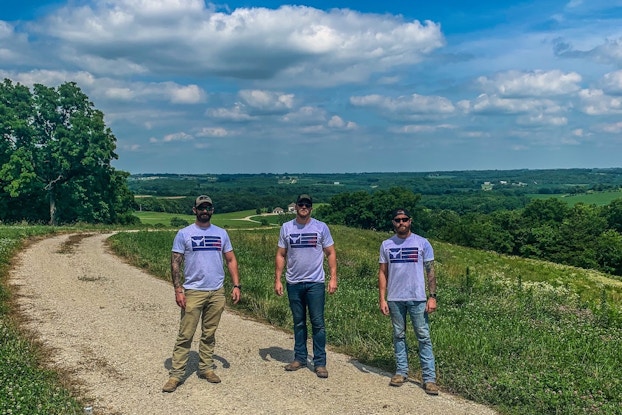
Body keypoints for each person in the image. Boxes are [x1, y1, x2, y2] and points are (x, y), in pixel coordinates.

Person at [162, 195, 241, 393]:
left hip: (216, 291)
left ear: (212, 210)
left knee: (209, 333)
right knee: (185, 334)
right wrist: (178, 289)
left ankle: (205, 368)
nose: (204, 210)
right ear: (194, 210)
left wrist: (236, 285)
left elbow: (230, 259)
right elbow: (175, 262)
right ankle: (176, 374)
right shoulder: (184, 233)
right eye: (201, 207)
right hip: (193, 291)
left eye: (208, 207)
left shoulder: (221, 233)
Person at [274, 193, 338, 378]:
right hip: (293, 282)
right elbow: (281, 254)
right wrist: (277, 279)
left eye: (307, 205)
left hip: (315, 283)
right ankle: (300, 357)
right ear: (296, 207)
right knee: (299, 322)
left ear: (311, 207)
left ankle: (320, 362)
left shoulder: (321, 227)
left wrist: (333, 278)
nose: (304, 207)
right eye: (301, 204)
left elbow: (331, 253)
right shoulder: (286, 228)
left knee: (318, 323)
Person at [378, 208, 439, 395]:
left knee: (423, 337)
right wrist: (382, 298)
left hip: (418, 298)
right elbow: (382, 272)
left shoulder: (422, 243)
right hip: (395, 298)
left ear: (410, 221)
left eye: (404, 219)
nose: (401, 223)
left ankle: (429, 379)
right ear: (393, 222)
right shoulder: (387, 244)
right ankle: (401, 372)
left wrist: (432, 297)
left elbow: (430, 271)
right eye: (397, 220)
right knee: (398, 335)